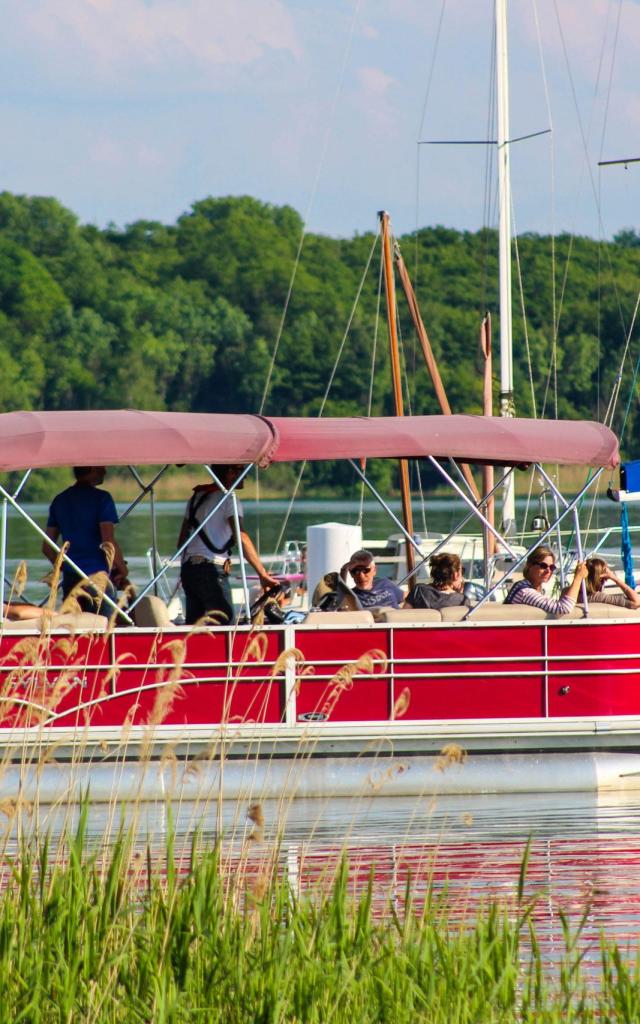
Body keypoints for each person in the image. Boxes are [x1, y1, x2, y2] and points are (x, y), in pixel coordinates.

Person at [177, 464, 279, 625]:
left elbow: (181, 541)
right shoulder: (230, 499)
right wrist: (262, 574)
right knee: (225, 623)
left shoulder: (195, 498)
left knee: (194, 627)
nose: (245, 476)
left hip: (188, 570)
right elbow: (241, 537)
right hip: (211, 571)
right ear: (230, 473)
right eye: (242, 471)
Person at [42, 466, 129, 613]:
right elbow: (108, 542)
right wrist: (123, 569)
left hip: (71, 578)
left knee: (73, 629)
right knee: (103, 627)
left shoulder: (60, 500)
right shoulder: (102, 499)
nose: (105, 471)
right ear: (90, 469)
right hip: (98, 578)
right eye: (100, 467)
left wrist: (66, 568)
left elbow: (47, 547)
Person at [504, 545, 587, 616]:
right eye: (543, 566)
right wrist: (578, 577)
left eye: (552, 567)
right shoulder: (525, 592)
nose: (548, 571)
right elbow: (564, 608)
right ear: (529, 565)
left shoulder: (524, 586)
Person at [339, 549, 403, 609]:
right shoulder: (350, 597)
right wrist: (344, 570)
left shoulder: (386, 584)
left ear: (374, 570)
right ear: (351, 574)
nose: (361, 576)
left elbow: (403, 599)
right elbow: (337, 603)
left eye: (365, 570)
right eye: (355, 571)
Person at [404, 552, 470, 610]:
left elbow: (405, 615)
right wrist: (460, 594)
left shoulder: (418, 590)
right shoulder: (462, 601)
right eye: (462, 571)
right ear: (456, 575)